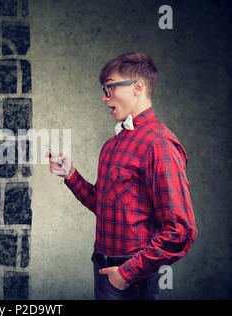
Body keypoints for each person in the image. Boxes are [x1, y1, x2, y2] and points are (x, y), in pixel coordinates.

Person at [48, 52, 197, 300]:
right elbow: (104, 206)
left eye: (110, 89)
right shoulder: (111, 145)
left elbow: (180, 231)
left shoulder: (159, 143)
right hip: (103, 268)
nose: (104, 98)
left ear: (138, 87)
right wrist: (70, 175)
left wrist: (127, 274)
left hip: (133, 279)